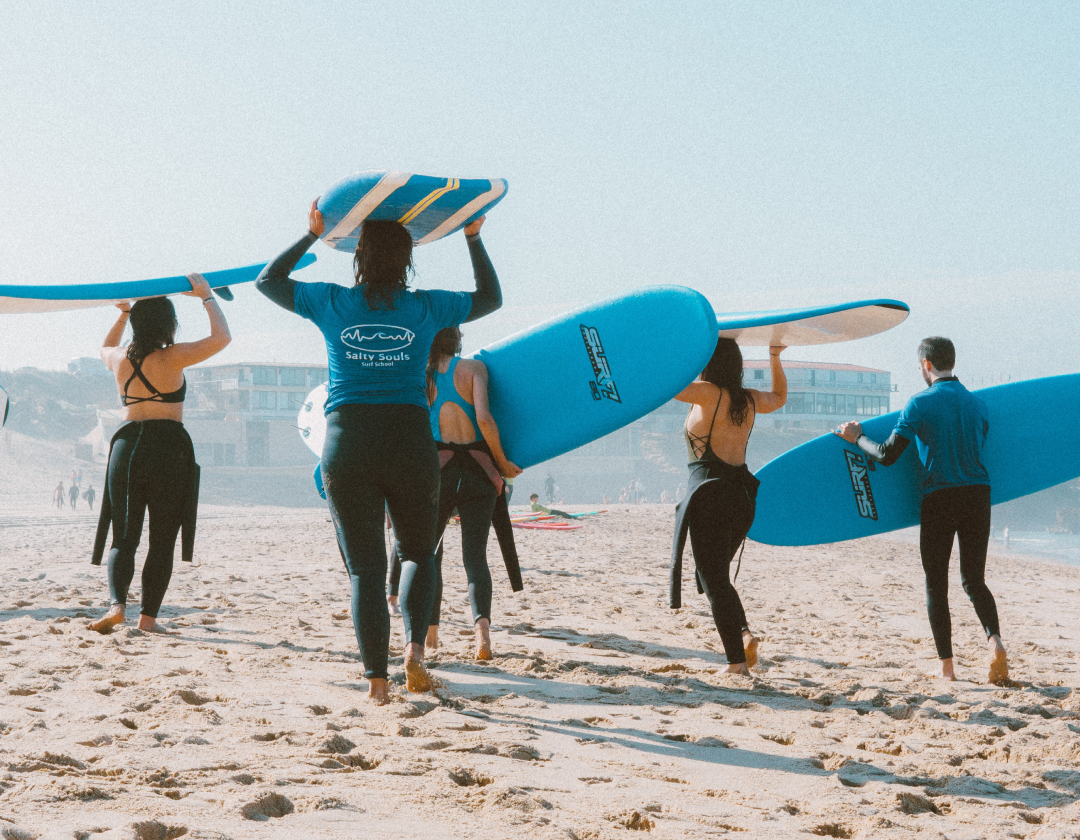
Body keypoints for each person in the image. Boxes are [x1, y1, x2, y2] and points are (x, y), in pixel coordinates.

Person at [255, 200, 503, 704]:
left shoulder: (331, 302)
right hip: (410, 438)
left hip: (348, 440)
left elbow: (268, 281)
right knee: (416, 551)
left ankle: (376, 684)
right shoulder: (426, 307)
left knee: (366, 569)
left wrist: (309, 234)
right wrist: (473, 238)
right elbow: (491, 299)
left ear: (358, 255)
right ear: (408, 259)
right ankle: (414, 654)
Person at [836, 337, 1008, 684]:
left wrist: (856, 438)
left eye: (919, 366)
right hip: (978, 495)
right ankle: (996, 642)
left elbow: (886, 455)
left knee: (936, 584)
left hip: (939, 498)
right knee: (974, 579)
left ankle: (947, 668)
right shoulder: (978, 404)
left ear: (926, 364)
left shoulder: (919, 404)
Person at [87, 276, 230, 635]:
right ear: (169, 325)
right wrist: (207, 297)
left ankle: (117, 604)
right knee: (162, 538)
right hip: (167, 447)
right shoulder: (174, 355)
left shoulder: (118, 358)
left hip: (126, 445)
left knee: (123, 536)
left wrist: (122, 315)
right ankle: (148, 619)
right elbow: (222, 338)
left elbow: (103, 348)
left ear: (137, 324)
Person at [669, 339, 787, 675]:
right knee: (716, 576)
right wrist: (775, 356)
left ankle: (737, 663)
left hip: (710, 495)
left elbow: (669, 385)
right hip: (742, 497)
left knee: (714, 578)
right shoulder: (746, 399)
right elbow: (779, 398)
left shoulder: (707, 393)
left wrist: (690, 348)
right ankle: (744, 634)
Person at [421, 326, 521, 659]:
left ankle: (430, 635)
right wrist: (502, 463)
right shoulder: (475, 369)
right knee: (475, 557)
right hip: (479, 473)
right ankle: (482, 639)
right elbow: (484, 418)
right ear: (457, 339)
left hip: (440, 473)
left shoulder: (424, 377)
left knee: (430, 554)